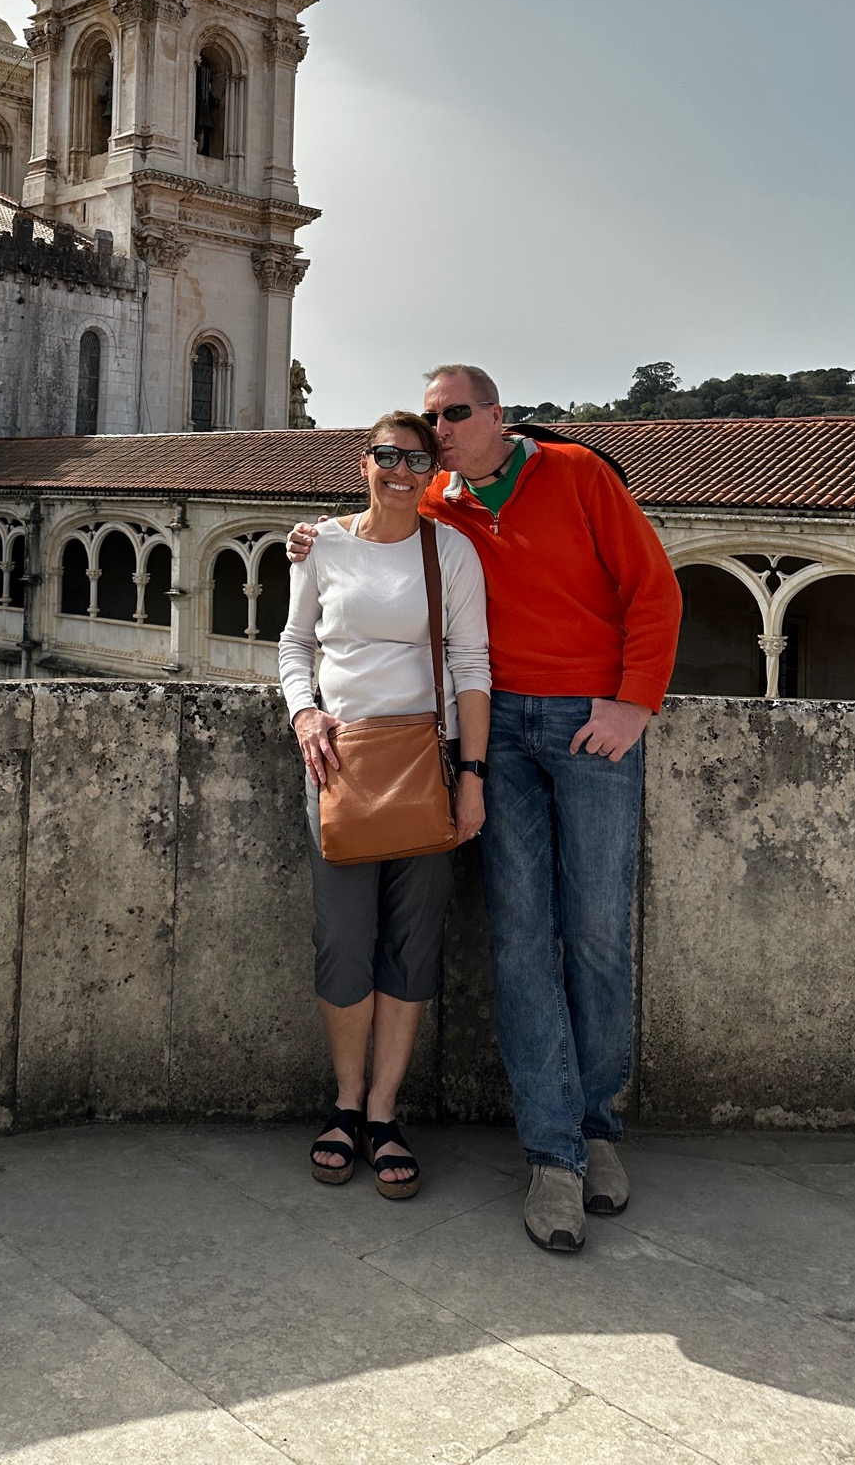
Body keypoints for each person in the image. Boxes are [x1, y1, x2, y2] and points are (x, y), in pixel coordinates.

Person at [290, 365, 681, 1253]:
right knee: (516, 940)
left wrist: (634, 700)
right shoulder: (440, 501)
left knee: (595, 933)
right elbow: (374, 539)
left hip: (593, 724)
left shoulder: (579, 474)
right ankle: (553, 1155)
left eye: (454, 414)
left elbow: (655, 591)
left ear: (496, 415)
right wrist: (308, 538)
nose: (441, 432)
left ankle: (596, 1129)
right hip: (497, 728)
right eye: (431, 421)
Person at [278, 410, 491, 1199]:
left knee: (412, 943)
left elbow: (472, 664)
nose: (401, 472)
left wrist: (472, 774)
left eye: (417, 460)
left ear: (433, 470)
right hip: (340, 762)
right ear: (362, 461)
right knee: (342, 940)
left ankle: (381, 1110)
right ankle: (342, 1098)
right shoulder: (320, 544)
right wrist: (303, 711)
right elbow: (295, 643)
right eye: (387, 457)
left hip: (425, 763)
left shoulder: (451, 551)